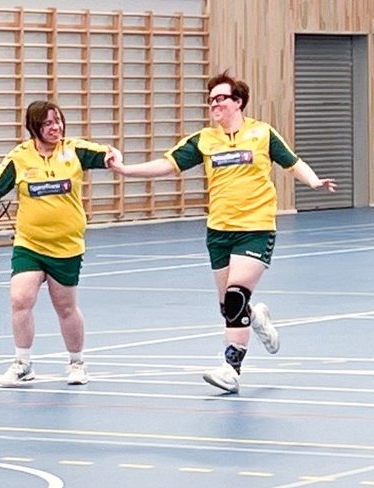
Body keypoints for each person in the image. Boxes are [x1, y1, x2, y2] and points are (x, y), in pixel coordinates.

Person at [106, 71, 336, 393]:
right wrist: (124, 170)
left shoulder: (261, 133)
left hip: (255, 227)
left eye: (221, 98)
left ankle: (231, 369)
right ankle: (257, 317)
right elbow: (167, 165)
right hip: (219, 230)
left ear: (238, 102)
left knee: (235, 296)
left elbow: (292, 162)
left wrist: (313, 181)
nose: (214, 104)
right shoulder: (205, 140)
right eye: (211, 100)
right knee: (229, 308)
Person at [0, 101, 115, 386]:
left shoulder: (75, 151)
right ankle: (23, 363)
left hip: (66, 246)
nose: (55, 127)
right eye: (48, 123)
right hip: (29, 244)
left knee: (66, 308)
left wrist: (115, 157)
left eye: (58, 121)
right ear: (34, 127)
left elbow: (109, 154)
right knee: (20, 299)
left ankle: (77, 363)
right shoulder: (19, 158)